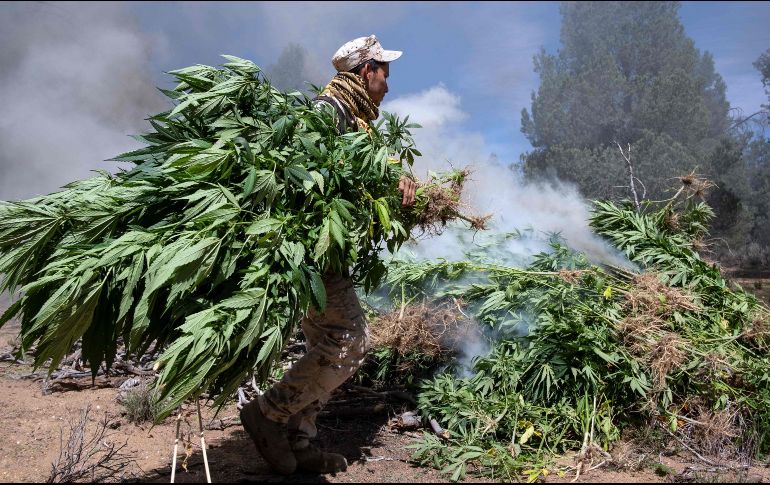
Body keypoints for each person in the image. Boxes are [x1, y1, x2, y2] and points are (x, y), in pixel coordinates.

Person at [239, 35, 417, 475]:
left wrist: (392, 186)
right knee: (350, 342)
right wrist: (377, 183)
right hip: (311, 257)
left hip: (329, 254)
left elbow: (354, 177)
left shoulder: (357, 122)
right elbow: (306, 179)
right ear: (365, 71)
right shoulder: (326, 112)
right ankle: (268, 415)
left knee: (327, 343)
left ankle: (299, 443)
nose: (388, 86)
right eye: (384, 74)